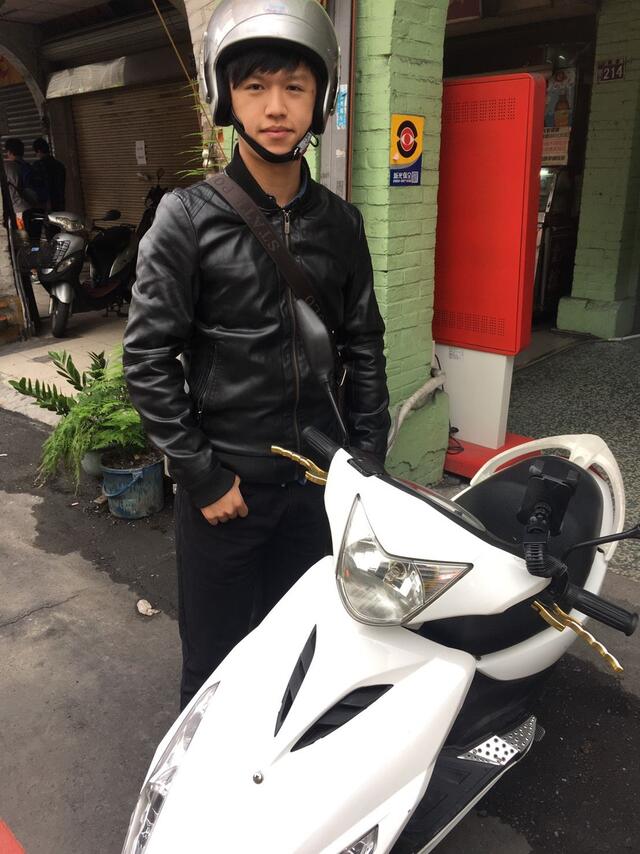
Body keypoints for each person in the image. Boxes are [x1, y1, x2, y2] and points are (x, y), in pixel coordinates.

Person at [123, 0, 390, 711]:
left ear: (320, 98)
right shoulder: (186, 220)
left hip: (317, 486)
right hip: (228, 493)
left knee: (303, 652)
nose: (276, 107)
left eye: (295, 87)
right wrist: (203, 477)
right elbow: (147, 358)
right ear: (227, 97)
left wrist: (366, 463)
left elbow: (364, 344)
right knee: (214, 669)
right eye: (255, 86)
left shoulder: (341, 223)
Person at [32, 137, 66, 211]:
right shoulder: (59, 165)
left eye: (36, 153)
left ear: (39, 151)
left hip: (46, 205)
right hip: (59, 202)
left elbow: (36, 186)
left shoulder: (38, 165)